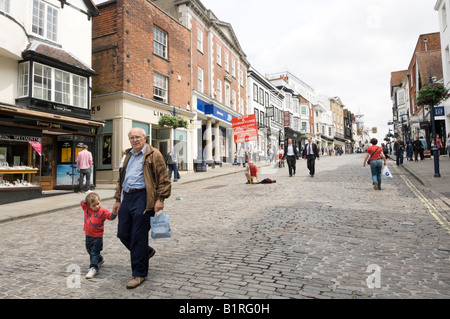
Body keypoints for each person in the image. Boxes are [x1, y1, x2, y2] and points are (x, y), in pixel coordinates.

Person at [112, 128, 171, 289]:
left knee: (138, 235)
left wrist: (160, 198)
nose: (135, 140)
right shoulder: (128, 155)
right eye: (131, 137)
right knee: (123, 233)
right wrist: (118, 199)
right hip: (127, 196)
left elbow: (163, 178)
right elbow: (121, 178)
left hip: (144, 197)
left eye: (137, 137)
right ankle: (146, 251)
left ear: (145, 138)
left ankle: (139, 274)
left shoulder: (154, 154)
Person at [81, 192, 117, 279]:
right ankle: (99, 259)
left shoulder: (103, 211)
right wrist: (89, 197)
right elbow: (82, 201)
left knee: (94, 252)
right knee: (90, 250)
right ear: (89, 206)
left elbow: (110, 217)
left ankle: (93, 268)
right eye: (94, 205)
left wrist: (114, 213)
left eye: (98, 203)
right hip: (88, 235)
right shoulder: (87, 209)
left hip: (97, 237)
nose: (97, 206)